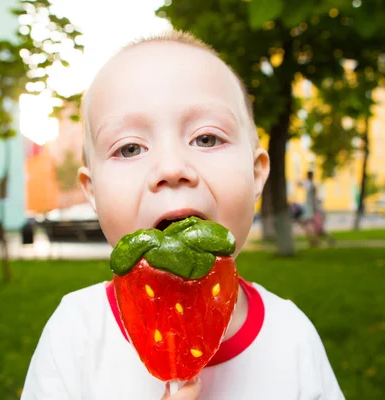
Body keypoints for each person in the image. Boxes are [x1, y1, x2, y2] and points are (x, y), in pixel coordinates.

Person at [21, 31, 344, 400]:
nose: (172, 168)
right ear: (92, 191)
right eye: (129, 148)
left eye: (206, 139)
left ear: (255, 174)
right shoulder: (75, 334)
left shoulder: (292, 337)